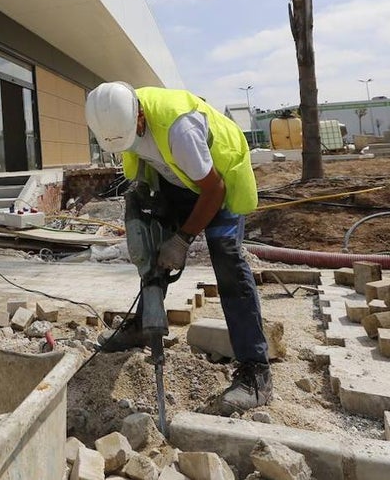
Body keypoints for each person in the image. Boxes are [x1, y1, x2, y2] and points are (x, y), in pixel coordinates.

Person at [85, 82, 271, 413]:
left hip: (218, 183)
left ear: (139, 115)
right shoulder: (117, 123)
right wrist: (149, 235)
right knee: (150, 244)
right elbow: (146, 174)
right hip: (177, 182)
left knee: (227, 259)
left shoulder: (179, 129)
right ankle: (144, 326)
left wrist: (182, 239)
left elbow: (213, 189)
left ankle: (256, 371)